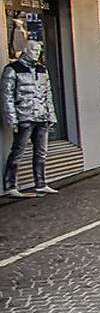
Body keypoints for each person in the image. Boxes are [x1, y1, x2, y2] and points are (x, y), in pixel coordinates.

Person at [2, 40, 58, 197]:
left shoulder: (42, 70)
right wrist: (12, 120)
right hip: (24, 117)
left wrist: (51, 116)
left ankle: (41, 183)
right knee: (18, 151)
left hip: (42, 116)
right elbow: (7, 97)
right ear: (25, 50)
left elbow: (48, 95)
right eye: (34, 50)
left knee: (41, 152)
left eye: (39, 50)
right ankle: (10, 185)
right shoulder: (12, 69)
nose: (37, 53)